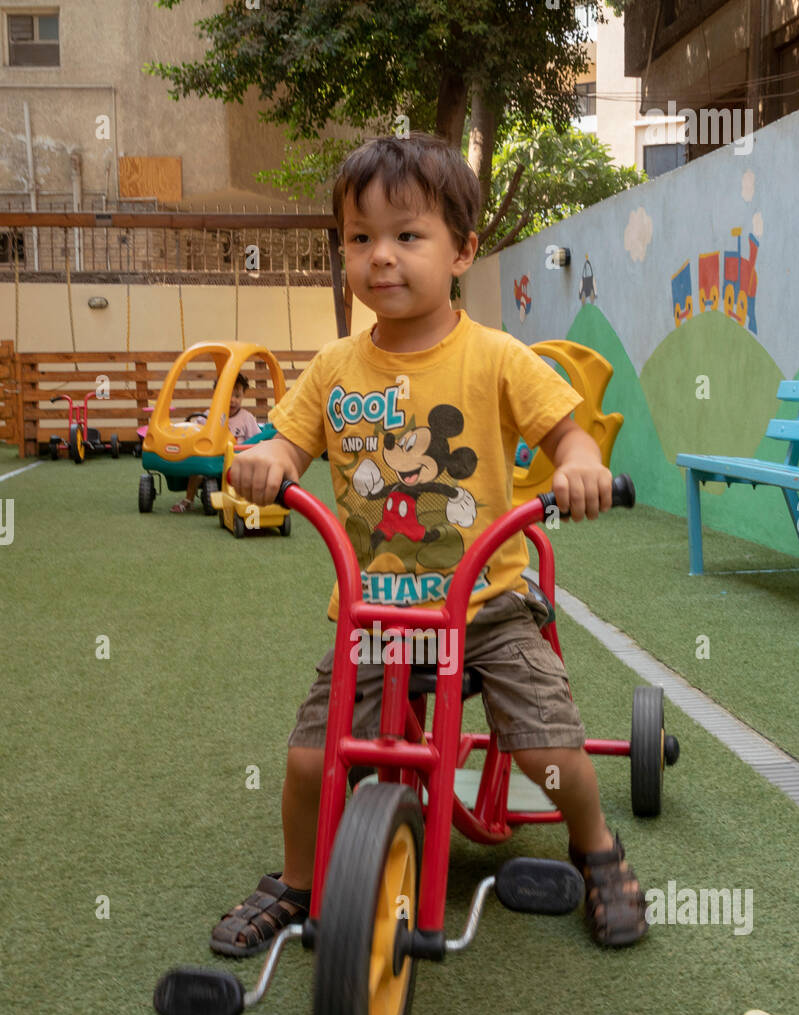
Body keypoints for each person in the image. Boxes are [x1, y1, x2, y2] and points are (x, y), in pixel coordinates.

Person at [210, 132, 647, 956]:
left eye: (407, 236)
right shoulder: (335, 368)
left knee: (548, 749)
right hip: (377, 613)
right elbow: (285, 442)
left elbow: (569, 435)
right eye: (360, 237)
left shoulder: (495, 356)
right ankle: (298, 885)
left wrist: (580, 466)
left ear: (461, 251)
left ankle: (595, 848)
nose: (381, 258)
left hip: (487, 605)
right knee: (310, 763)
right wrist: (266, 457)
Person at [170, 373, 261, 512]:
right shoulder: (210, 415)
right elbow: (196, 431)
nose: (232, 400)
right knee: (196, 469)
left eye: (237, 396)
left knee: (248, 472)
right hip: (212, 459)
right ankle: (188, 499)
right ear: (218, 395)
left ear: (243, 396)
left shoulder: (246, 418)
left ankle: (246, 500)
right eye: (228, 395)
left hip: (236, 460)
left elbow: (256, 440)